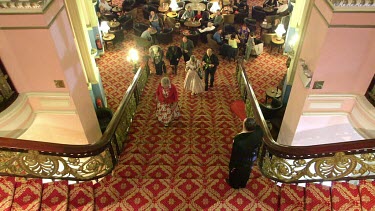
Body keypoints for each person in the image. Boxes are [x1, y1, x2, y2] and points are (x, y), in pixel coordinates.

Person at [226, 118, 263, 189]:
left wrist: (232, 165)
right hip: (252, 158)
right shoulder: (259, 131)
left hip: (241, 161)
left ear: (244, 125)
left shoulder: (239, 140)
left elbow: (235, 154)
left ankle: (234, 185)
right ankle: (243, 184)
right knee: (247, 171)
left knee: (237, 173)